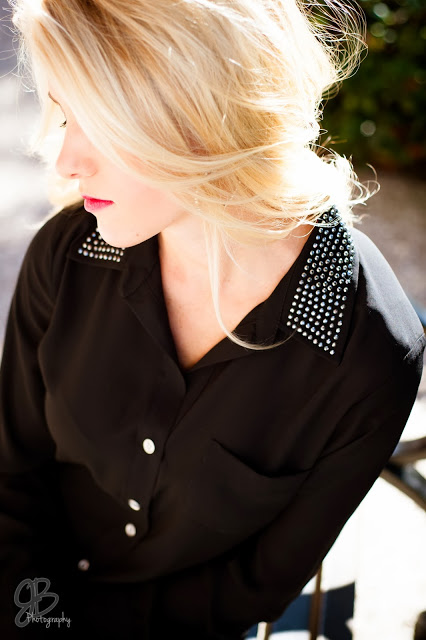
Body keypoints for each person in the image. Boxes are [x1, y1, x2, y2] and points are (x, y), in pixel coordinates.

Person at [1, 0, 424, 638]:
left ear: (207, 114)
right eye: (64, 114)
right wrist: (37, 620)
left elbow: (252, 585)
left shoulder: (370, 355)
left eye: (103, 123)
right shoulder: (66, 256)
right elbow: (11, 478)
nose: (65, 161)